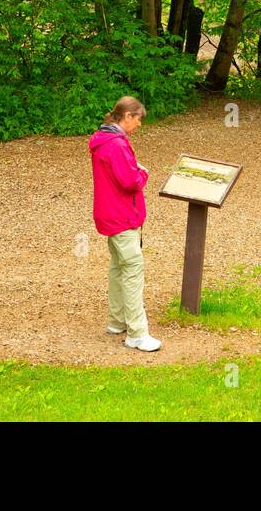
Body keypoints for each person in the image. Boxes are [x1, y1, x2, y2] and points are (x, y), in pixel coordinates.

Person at [89, 95, 161, 352]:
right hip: (122, 217)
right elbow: (130, 182)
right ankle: (137, 333)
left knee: (118, 267)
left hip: (109, 215)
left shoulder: (102, 140)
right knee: (132, 270)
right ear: (127, 116)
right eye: (138, 119)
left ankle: (116, 320)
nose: (139, 124)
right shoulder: (117, 144)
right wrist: (142, 173)